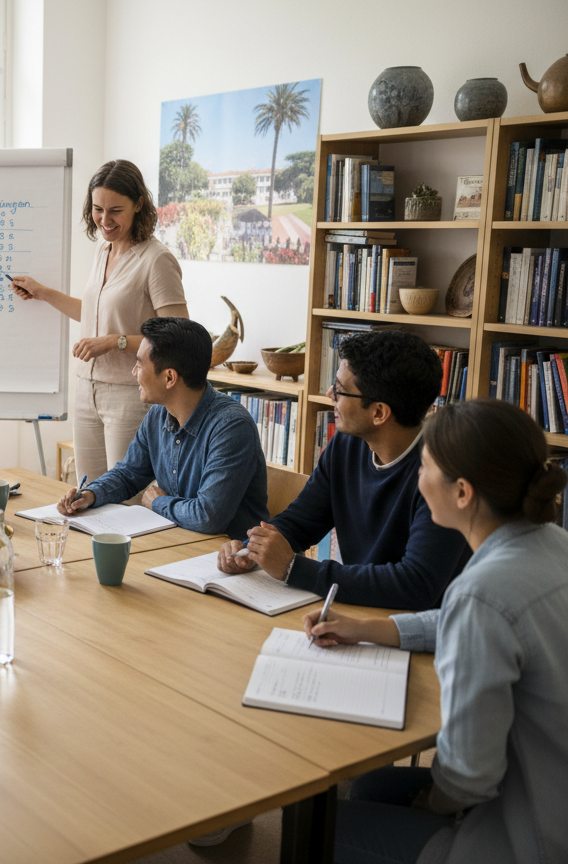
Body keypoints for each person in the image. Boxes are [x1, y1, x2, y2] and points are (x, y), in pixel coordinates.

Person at [303, 399, 568, 864]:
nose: (416, 480)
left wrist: (437, 804)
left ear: (462, 492)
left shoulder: (480, 593)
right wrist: (367, 628)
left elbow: (470, 773)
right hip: (548, 783)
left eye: (423, 466)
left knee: (315, 830)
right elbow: (472, 621)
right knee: (371, 784)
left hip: (529, 834)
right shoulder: (552, 544)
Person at [217, 329, 469, 610]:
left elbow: (416, 584)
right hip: (357, 610)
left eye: (339, 389)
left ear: (378, 413)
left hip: (420, 630)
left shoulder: (444, 473)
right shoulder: (346, 445)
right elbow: (302, 521)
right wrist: (251, 545)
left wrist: (292, 568)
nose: (329, 394)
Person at [9, 159, 188, 483]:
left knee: (125, 498)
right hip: (86, 390)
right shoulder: (103, 251)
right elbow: (96, 315)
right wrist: (42, 293)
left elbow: (178, 336)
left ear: (138, 205)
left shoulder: (156, 260)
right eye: (97, 209)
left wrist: (115, 341)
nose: (104, 220)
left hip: (130, 394)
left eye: (115, 210)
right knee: (88, 492)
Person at [56, 317, 266, 540]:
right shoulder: (158, 414)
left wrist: (158, 502)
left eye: (139, 363)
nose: (134, 371)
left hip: (228, 557)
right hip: (177, 543)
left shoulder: (231, 427)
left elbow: (208, 517)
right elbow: (129, 473)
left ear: (169, 377)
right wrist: (90, 494)